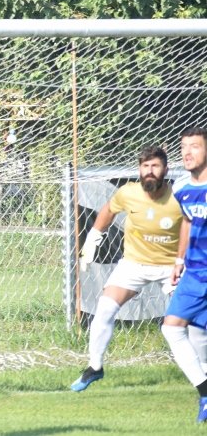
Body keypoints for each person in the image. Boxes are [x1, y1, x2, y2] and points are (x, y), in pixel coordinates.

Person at [70, 145, 186, 392]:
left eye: (155, 166)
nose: (150, 171)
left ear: (165, 169)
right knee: (104, 309)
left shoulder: (179, 195)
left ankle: (202, 370)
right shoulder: (128, 192)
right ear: (139, 170)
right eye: (145, 167)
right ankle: (95, 367)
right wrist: (92, 239)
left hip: (171, 268)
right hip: (133, 265)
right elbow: (108, 210)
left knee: (190, 319)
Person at [163, 126, 207, 424]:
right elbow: (188, 222)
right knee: (175, 328)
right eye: (183, 147)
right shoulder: (181, 188)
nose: (187, 152)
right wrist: (179, 259)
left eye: (194, 146)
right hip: (194, 272)